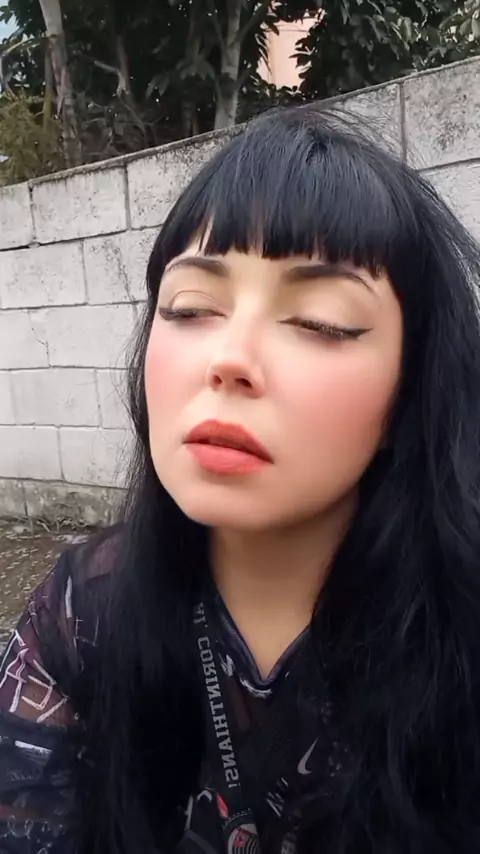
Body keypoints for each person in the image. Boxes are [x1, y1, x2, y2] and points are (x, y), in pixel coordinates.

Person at [1, 104, 480, 854]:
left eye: (319, 321)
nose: (229, 358)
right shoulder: (82, 615)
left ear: (410, 389)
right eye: (191, 308)